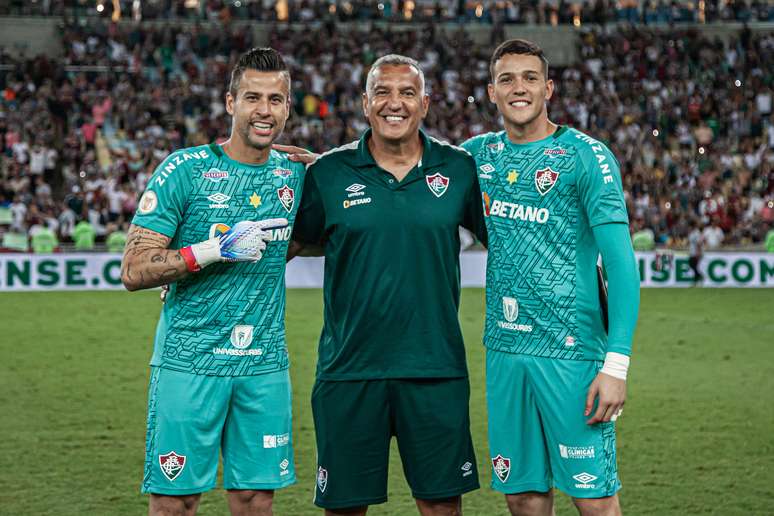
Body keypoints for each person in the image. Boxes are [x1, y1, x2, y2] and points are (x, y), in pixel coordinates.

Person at [292, 54, 487, 515]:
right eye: (382, 91)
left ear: (425, 103)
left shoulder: (459, 169)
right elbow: (284, 247)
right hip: (349, 370)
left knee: (441, 508)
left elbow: (509, 243)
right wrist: (195, 270)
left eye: (406, 93)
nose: (393, 103)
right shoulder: (330, 173)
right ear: (365, 103)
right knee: (344, 508)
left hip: (435, 369)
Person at [120, 47, 305, 516]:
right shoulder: (186, 170)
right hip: (190, 361)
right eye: (253, 98)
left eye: (276, 100)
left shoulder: (297, 175)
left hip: (263, 364)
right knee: (176, 501)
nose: (265, 110)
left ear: (287, 107)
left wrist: (323, 160)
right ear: (230, 103)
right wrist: (211, 250)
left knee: (254, 498)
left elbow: (346, 215)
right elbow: (134, 269)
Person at [461, 39, 640, 516]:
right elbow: (402, 174)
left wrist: (616, 365)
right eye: (507, 79)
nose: (519, 88)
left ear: (549, 88)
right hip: (504, 351)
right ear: (492, 93)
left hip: (573, 356)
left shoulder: (587, 157)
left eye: (529, 78)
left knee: (594, 500)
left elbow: (622, 266)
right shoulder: (474, 157)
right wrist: (326, 164)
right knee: (521, 496)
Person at [687, 220, 704, 285]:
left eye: (690, 226)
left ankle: (698, 277)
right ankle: (697, 278)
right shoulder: (691, 233)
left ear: (692, 226)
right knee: (693, 265)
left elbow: (699, 243)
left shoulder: (697, 233)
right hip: (692, 251)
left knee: (693, 265)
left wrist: (698, 252)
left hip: (696, 252)